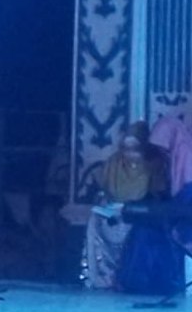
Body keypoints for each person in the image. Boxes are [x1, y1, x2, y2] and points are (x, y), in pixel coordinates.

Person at [81, 121, 167, 289]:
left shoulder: (154, 165)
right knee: (94, 220)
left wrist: (134, 208)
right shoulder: (114, 163)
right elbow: (105, 191)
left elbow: (158, 197)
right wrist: (107, 206)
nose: (129, 154)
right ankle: (100, 277)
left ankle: (127, 277)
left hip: (140, 217)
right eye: (125, 149)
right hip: (113, 214)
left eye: (135, 149)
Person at [116, 116, 192, 294]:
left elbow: (183, 203)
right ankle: (142, 285)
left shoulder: (187, 158)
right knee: (142, 230)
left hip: (185, 221)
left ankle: (161, 283)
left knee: (150, 234)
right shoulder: (169, 161)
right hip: (175, 215)